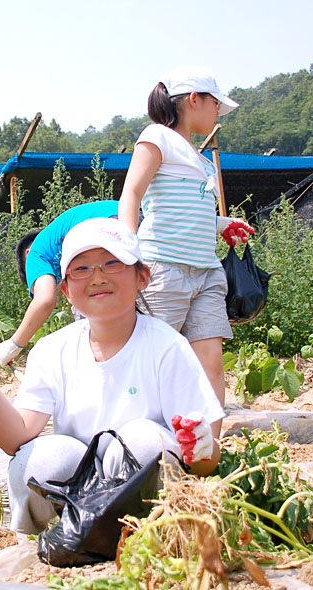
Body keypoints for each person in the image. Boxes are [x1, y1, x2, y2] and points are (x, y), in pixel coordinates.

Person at [0, 217, 224, 534]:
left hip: (146, 507)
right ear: (65, 290)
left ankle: (140, 539)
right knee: (37, 460)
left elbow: (207, 460)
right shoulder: (53, 350)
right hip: (77, 500)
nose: (97, 277)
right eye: (82, 269)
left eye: (112, 262)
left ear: (142, 277)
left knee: (147, 443)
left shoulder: (168, 347)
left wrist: (200, 446)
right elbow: (16, 438)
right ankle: (35, 544)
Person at [118, 66, 255, 421]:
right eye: (215, 105)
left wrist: (222, 224)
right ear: (194, 100)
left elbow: (187, 210)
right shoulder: (157, 137)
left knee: (211, 362)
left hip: (206, 272)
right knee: (154, 360)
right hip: (164, 267)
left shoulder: (198, 157)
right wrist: (128, 252)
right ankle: (144, 444)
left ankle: (209, 450)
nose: (217, 114)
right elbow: (132, 194)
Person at [0, 200, 119, 368]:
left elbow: (44, 300)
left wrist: (14, 345)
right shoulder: (59, 240)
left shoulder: (36, 252)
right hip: (137, 217)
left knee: (90, 333)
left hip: (112, 225)